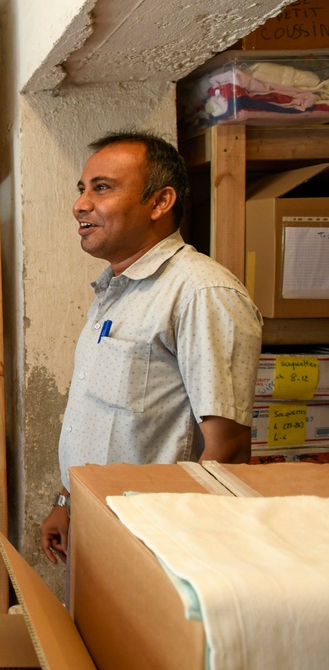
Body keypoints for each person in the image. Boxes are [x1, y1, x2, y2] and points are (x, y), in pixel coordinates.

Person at [40, 131, 262, 566]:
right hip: (97, 526)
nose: (80, 204)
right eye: (82, 189)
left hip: (154, 543)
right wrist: (67, 502)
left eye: (101, 188)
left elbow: (229, 450)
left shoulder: (202, 292)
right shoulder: (115, 291)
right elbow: (103, 422)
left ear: (160, 202)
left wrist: (170, 553)